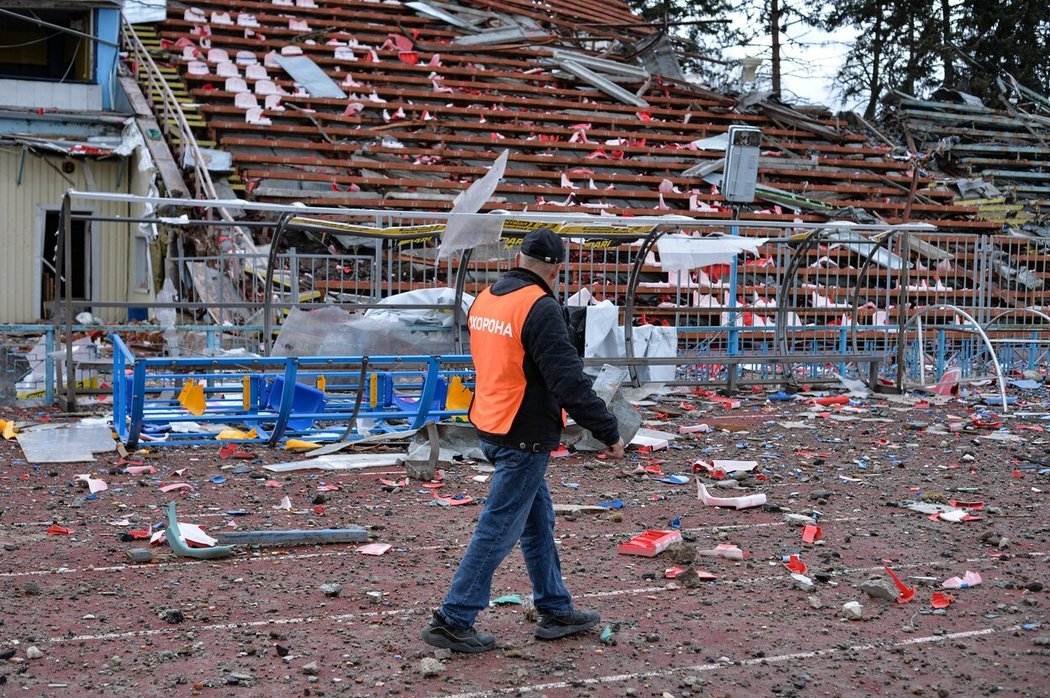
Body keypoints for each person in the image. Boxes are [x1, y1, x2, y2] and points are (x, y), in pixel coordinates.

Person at [421, 227, 626, 653]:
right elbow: (568, 380)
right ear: (555, 269)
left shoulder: (488, 297)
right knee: (499, 528)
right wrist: (608, 431)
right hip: (523, 433)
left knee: (537, 524)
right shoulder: (540, 307)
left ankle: (555, 608)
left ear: (518, 257)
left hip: (491, 424)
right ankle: (454, 618)